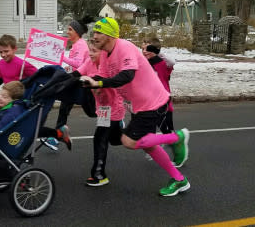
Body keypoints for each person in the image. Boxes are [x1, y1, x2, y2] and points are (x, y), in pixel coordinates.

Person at [81, 17, 190, 196]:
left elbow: (127, 76)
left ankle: (176, 138)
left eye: (99, 33)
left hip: (153, 102)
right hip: (139, 106)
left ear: (110, 35)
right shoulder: (106, 56)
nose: (94, 37)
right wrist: (90, 82)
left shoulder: (124, 47)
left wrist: (99, 84)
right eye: (94, 33)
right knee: (148, 145)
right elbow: (103, 78)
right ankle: (179, 180)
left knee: (129, 142)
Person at [76, 41, 126, 186]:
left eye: (94, 51)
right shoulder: (88, 63)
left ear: (103, 53)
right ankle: (149, 141)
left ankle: (99, 175)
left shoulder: (109, 65)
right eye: (90, 50)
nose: (90, 54)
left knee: (100, 138)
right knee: (116, 140)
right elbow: (76, 74)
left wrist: (91, 82)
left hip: (114, 107)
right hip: (103, 108)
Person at [46, 18, 91, 149]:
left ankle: (116, 120)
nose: (67, 31)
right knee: (64, 108)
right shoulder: (77, 44)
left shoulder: (81, 44)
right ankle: (56, 137)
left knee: (90, 108)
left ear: (77, 31)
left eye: (70, 29)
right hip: (75, 79)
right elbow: (77, 63)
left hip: (81, 81)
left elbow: (78, 63)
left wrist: (62, 57)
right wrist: (69, 69)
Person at [142, 38, 181, 166]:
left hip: (163, 103)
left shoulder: (162, 63)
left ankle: (179, 155)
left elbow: (172, 62)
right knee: (149, 128)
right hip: (149, 103)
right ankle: (153, 148)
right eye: (143, 48)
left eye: (148, 49)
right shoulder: (143, 63)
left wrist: (159, 53)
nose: (145, 51)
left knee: (168, 132)